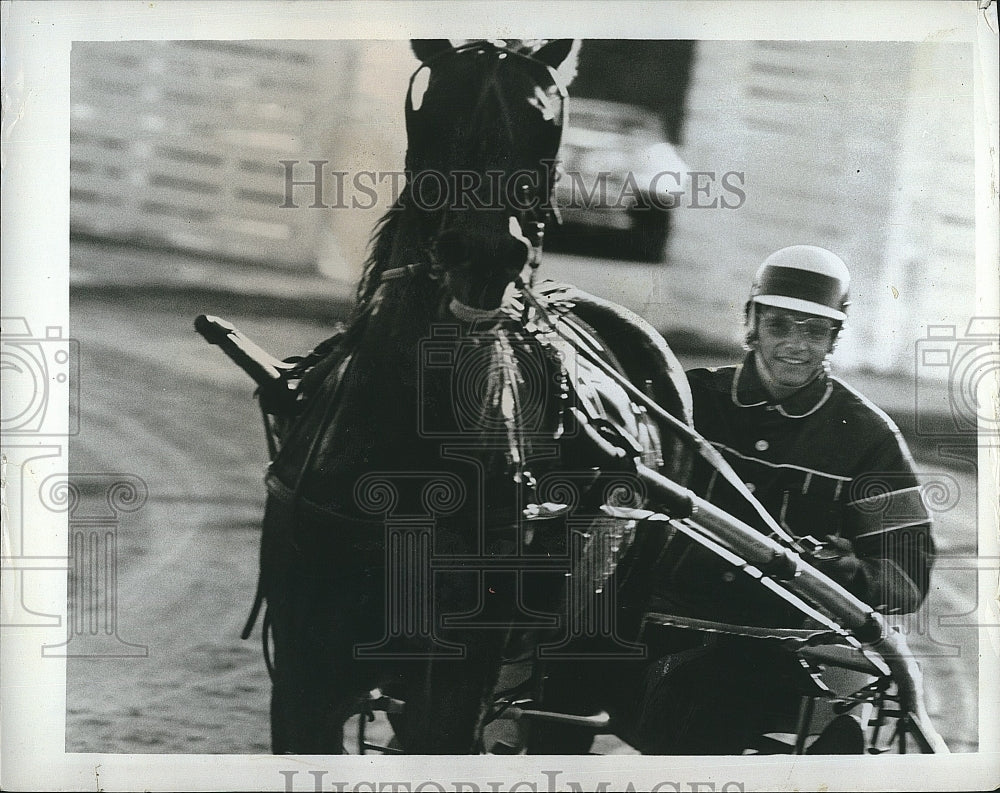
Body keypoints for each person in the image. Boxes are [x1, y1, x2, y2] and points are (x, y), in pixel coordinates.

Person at [630, 244, 935, 754]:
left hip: (786, 648)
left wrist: (833, 567)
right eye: (780, 326)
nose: (796, 346)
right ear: (751, 324)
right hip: (659, 627)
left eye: (814, 331)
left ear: (835, 336)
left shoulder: (868, 438)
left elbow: (908, 576)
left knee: (718, 702)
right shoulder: (683, 401)